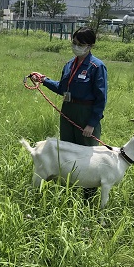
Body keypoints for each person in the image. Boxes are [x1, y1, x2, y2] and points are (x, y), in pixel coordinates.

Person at [30, 26, 107, 199]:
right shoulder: (69, 65)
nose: (76, 46)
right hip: (68, 112)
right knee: (68, 154)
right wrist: (43, 80)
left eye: (80, 43)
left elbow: (101, 98)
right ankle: (70, 193)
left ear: (90, 46)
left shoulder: (97, 67)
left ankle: (88, 197)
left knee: (87, 156)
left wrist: (92, 123)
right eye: (74, 42)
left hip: (85, 114)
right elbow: (62, 88)